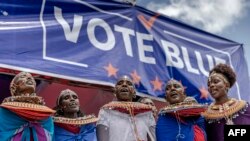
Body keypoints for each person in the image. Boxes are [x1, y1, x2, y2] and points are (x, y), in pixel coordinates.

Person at [96, 75, 156, 141]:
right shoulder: (105, 111)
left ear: (134, 93)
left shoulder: (146, 113)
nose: (124, 85)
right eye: (120, 83)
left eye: (129, 84)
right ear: (115, 92)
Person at [0, 71, 55, 140]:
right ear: (14, 87)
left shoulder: (45, 116)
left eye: (31, 78)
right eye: (23, 77)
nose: (29, 78)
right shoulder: (3, 112)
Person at [202, 63, 250, 141]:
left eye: (216, 81)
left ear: (226, 85)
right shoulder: (205, 115)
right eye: (209, 84)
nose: (211, 85)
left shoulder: (245, 107)